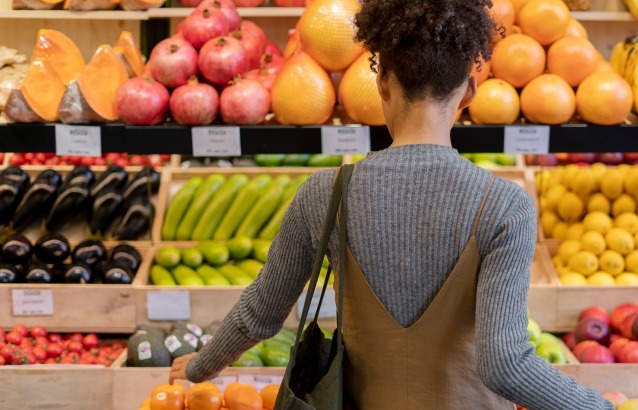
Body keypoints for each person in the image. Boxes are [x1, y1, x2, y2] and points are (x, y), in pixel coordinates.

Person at [170, 0, 613, 408]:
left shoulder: (325, 193)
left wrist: (198, 366)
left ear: (381, 81)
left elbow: (261, 312)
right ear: (470, 91)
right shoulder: (504, 206)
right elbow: (506, 366)